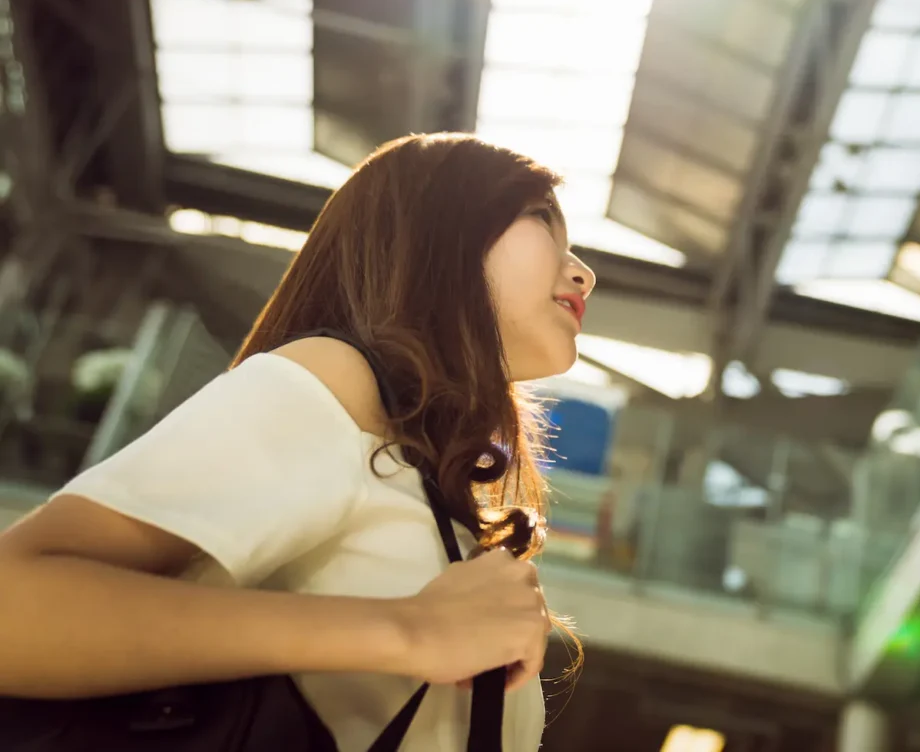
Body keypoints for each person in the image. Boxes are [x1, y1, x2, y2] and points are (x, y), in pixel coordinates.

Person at [0, 133, 596, 751]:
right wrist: (404, 631)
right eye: (542, 219)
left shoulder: (419, 475)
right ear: (436, 230)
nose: (584, 271)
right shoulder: (334, 382)